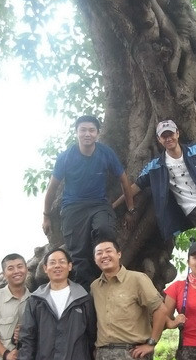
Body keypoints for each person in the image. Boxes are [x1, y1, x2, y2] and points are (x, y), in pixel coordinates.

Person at [117, 121, 196, 264]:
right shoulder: (156, 165)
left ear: (177, 133)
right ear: (159, 140)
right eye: (164, 136)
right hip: (195, 209)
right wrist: (114, 205)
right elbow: (133, 188)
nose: (168, 138)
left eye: (170, 134)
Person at [42, 115, 134, 290]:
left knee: (104, 229)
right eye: (83, 130)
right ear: (76, 133)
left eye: (91, 130)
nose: (87, 134)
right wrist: (46, 216)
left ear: (98, 133)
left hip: (99, 204)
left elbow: (124, 180)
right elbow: (52, 189)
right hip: (73, 208)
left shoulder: (105, 153)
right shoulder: (66, 157)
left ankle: (109, 278)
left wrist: (131, 209)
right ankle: (89, 294)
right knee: (79, 255)